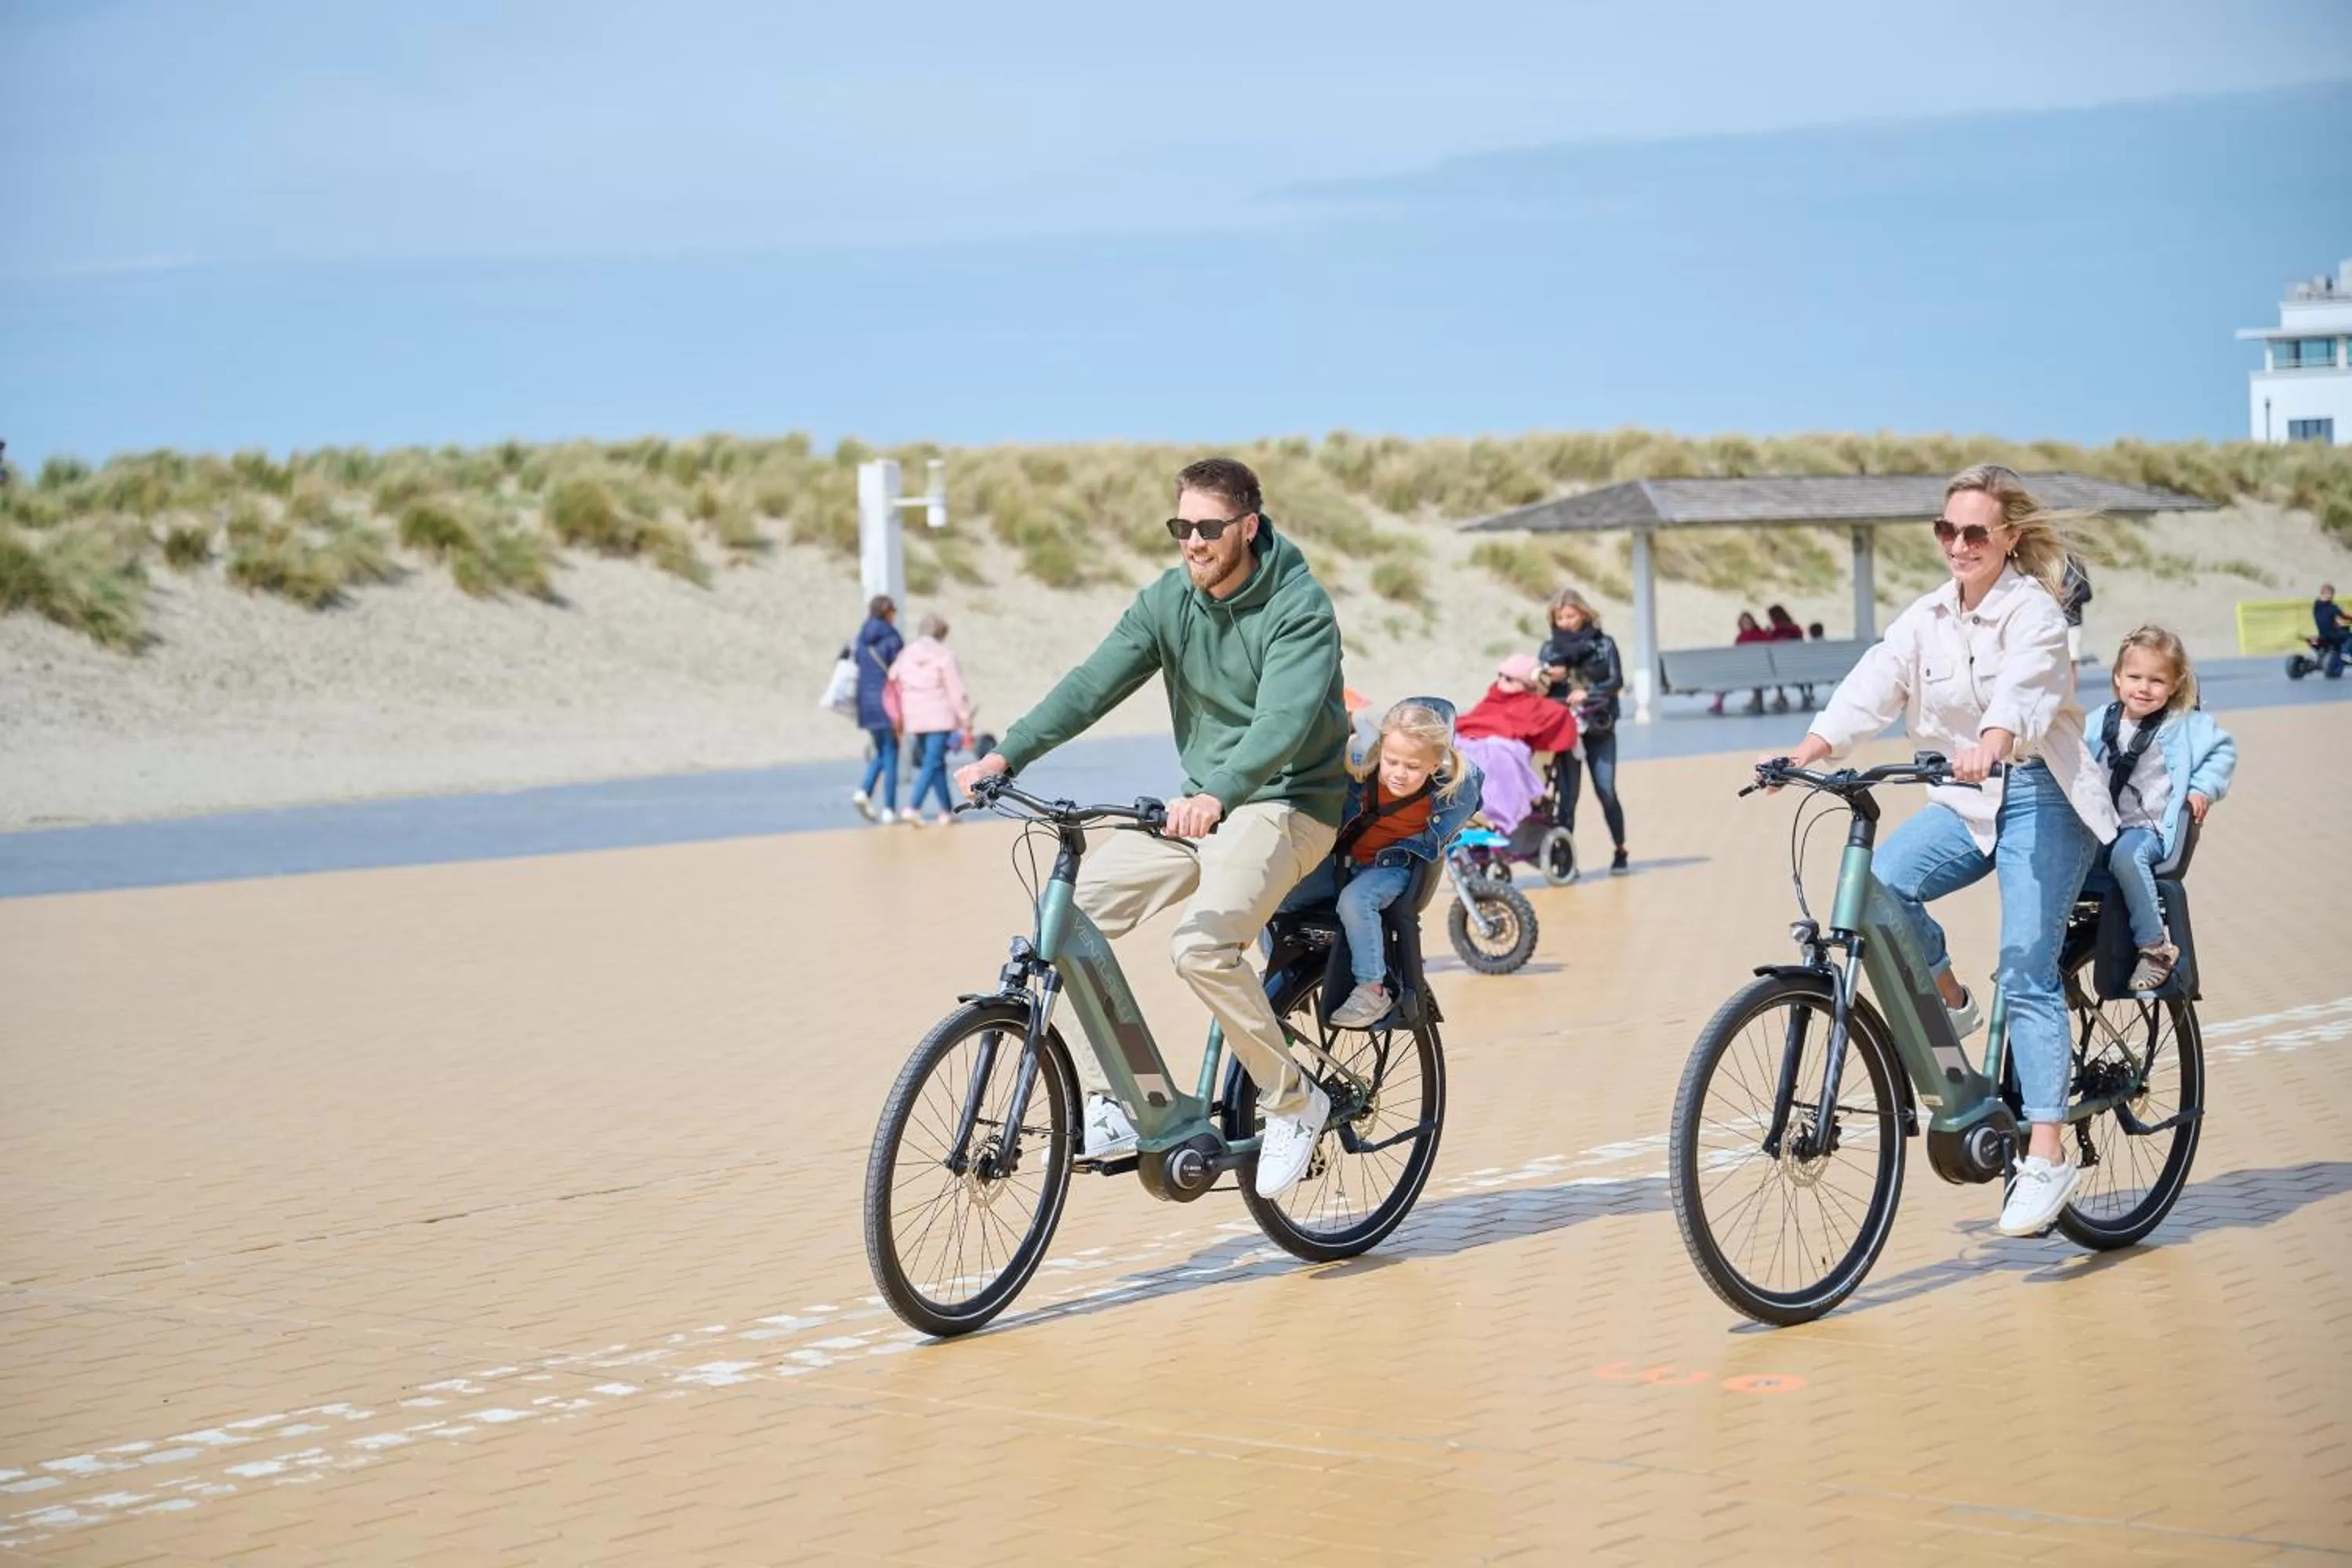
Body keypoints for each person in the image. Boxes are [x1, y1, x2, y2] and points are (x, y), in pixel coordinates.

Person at [954, 456, 1350, 1199]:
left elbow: (1284, 725)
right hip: (1204, 804)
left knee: (1201, 947)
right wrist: (1007, 753)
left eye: (1208, 528)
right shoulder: (1169, 601)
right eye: (1181, 528)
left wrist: (1222, 791)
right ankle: (1124, 1099)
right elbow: (1090, 685)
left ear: (1248, 527)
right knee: (1071, 921)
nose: (1192, 543)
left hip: (1290, 801)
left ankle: (1296, 1102)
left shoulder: (1300, 608)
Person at [1761, 463, 2118, 1239]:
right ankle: (1951, 998)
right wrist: (1806, 749)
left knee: (2026, 964)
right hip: (1963, 797)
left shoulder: (2036, 614)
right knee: (1881, 883)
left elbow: (2024, 691)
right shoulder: (1925, 617)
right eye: (1946, 530)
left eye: (1975, 532)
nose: (1959, 544)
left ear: (2008, 538)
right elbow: (1872, 684)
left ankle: (2048, 1155)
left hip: (2041, 791)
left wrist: (1991, 742)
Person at [1280, 701, 1483, 1027]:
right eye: (1392, 762)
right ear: (1380, 752)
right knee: (1279, 888)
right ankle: (1288, 968)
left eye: (1413, 767)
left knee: (1356, 900)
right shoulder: (1361, 774)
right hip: (1347, 863)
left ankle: (1373, 989)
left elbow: (1472, 780)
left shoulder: (1449, 791)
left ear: (1435, 765)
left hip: (1393, 869)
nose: (1400, 773)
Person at [2085, 626, 2236, 991]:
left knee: (2125, 855)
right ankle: (2043, 949)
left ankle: (2154, 947)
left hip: (2147, 829)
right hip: (2101, 826)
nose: (2143, 687)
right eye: (2134, 677)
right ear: (2117, 678)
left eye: (2156, 680)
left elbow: (2223, 751)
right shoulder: (2096, 721)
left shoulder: (2183, 724)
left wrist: (2201, 789)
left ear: (2174, 684)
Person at [1540, 588, 1630, 873]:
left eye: (1571, 615)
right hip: (1565, 733)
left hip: (1600, 728)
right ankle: (1565, 862)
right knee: (1566, 799)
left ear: (1584, 613)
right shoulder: (1549, 649)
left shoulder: (1605, 644)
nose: (1566, 621)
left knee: (1606, 790)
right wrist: (1547, 676)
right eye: (1560, 617)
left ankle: (1620, 848)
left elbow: (1616, 681)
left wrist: (1586, 692)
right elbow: (1538, 690)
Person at [1455, 652, 1578, 836]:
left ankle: (1491, 811)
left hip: (1502, 748)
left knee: (1497, 753)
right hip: (1476, 742)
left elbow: (1559, 717)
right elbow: (1475, 718)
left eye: (1510, 679)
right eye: (1501, 676)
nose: (1502, 681)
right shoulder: (1493, 697)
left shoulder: (1536, 706)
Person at [889, 612, 975, 828]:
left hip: (914, 717)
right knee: (932, 763)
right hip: (940, 717)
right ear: (942, 633)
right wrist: (966, 720)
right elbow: (956, 691)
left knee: (935, 764)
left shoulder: (906, 653)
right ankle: (913, 807)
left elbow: (892, 676)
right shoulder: (945, 655)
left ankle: (947, 811)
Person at [850, 594, 904, 824]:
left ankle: (864, 792)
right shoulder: (892, 638)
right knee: (891, 752)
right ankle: (890, 809)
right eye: (894, 610)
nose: (896, 614)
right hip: (887, 702)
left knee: (882, 750)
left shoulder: (862, 637)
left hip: (865, 702)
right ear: (887, 612)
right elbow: (900, 672)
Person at [2059, 555, 2094, 666]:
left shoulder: (2076, 567)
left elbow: (2087, 594)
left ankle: (2072, 683)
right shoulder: (2045, 563)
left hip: (2073, 622)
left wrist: (2070, 595)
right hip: (2051, 621)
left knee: (2072, 660)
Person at [2315, 583, 2351, 677]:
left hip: (2322, 634)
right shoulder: (2332, 607)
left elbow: (2326, 618)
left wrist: (2338, 623)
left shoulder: (2316, 606)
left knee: (2342, 630)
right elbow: (2343, 616)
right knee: (2350, 636)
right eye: (2331, 595)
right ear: (2330, 594)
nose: (2332, 597)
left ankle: (2325, 657)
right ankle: (2345, 653)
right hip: (2332, 633)